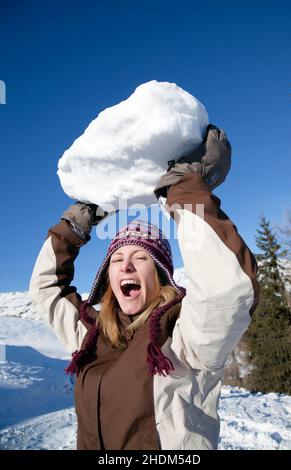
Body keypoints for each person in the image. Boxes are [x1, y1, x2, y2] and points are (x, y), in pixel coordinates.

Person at [29, 125, 259, 450]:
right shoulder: (92, 334)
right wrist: (73, 227)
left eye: (141, 257)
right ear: (107, 277)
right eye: (116, 259)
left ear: (162, 275)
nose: (125, 266)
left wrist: (185, 193)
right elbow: (46, 289)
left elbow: (227, 290)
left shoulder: (183, 336)